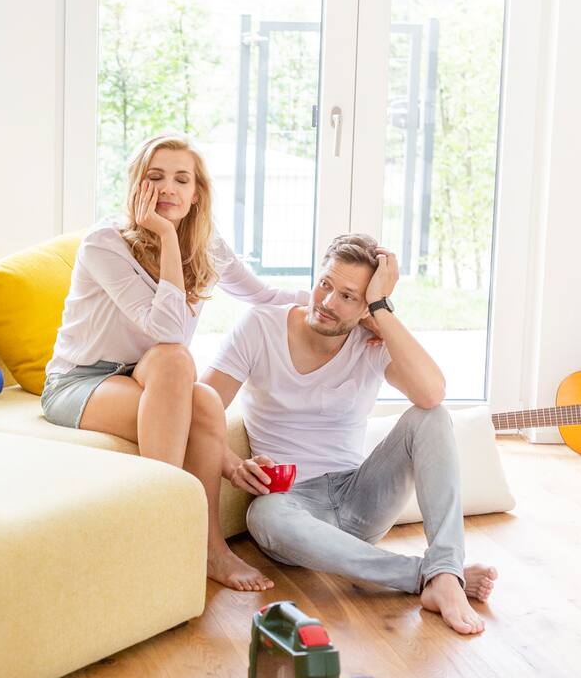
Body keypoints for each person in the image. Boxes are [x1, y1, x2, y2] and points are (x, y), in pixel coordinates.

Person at [41, 133, 307, 592]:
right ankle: (161, 522)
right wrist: (166, 236)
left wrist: (332, 302)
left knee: (202, 397)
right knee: (177, 360)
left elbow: (263, 296)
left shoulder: (207, 243)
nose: (168, 188)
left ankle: (210, 549)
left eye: (182, 179)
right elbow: (166, 330)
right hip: (79, 382)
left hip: (146, 374)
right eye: (156, 177)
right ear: (137, 185)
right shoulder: (105, 242)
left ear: (197, 192)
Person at [202, 233, 500, 635]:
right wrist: (234, 466)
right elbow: (200, 409)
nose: (327, 302)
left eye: (348, 297)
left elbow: (432, 394)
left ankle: (444, 567)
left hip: (361, 497)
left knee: (430, 416)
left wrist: (383, 313)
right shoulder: (261, 326)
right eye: (325, 284)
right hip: (291, 506)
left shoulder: (372, 339)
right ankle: (433, 576)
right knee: (264, 515)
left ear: (366, 307)